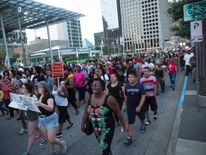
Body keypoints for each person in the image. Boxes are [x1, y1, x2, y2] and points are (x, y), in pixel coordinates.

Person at [81, 78, 127, 155]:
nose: (93, 87)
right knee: (104, 146)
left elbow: (118, 113)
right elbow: (86, 113)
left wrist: (123, 125)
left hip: (107, 128)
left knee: (104, 148)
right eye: (92, 85)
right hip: (96, 128)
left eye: (96, 85)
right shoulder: (90, 98)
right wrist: (82, 125)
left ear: (102, 87)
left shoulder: (109, 99)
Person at [36, 81, 66, 155]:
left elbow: (51, 108)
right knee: (48, 138)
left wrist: (40, 104)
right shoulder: (40, 95)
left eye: (39, 87)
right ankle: (52, 152)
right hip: (42, 119)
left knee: (51, 139)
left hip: (50, 119)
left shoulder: (49, 96)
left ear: (44, 88)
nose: (38, 89)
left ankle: (62, 143)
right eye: (38, 87)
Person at [124, 70, 146, 145]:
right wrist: (126, 105)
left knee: (141, 118)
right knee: (130, 122)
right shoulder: (127, 86)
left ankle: (143, 125)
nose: (129, 79)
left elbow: (143, 96)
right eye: (128, 77)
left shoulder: (140, 85)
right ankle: (129, 137)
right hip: (130, 107)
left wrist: (139, 106)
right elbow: (126, 96)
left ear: (136, 78)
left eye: (131, 77)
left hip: (139, 106)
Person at [21, 83, 39, 155]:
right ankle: (46, 136)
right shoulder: (22, 96)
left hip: (32, 116)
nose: (21, 89)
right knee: (37, 127)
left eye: (23, 88)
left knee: (30, 134)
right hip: (27, 115)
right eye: (21, 87)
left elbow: (37, 105)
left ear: (27, 89)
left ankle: (28, 152)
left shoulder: (32, 96)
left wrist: (34, 102)